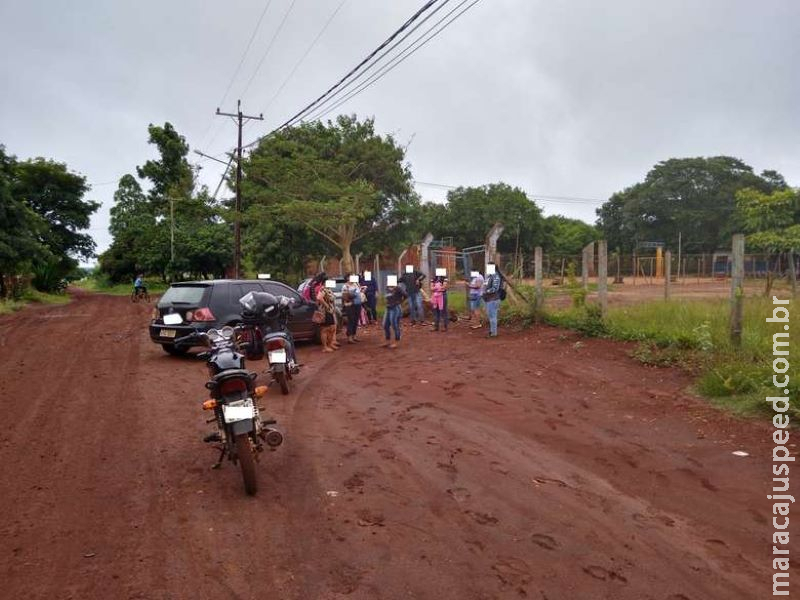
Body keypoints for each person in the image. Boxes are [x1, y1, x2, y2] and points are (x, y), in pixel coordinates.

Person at [382, 281, 408, 349]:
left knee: (394, 325)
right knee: (385, 325)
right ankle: (387, 341)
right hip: (388, 308)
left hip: (395, 308)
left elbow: (406, 295)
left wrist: (399, 302)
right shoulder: (387, 288)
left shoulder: (398, 288)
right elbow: (387, 297)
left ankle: (397, 341)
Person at [316, 284, 337, 352]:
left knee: (332, 328)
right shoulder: (323, 289)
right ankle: (325, 347)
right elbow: (319, 298)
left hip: (330, 311)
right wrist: (326, 305)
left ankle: (330, 344)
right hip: (325, 312)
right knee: (325, 329)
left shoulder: (328, 290)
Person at [341, 275, 363, 344]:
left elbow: (359, 293)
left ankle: (354, 336)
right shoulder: (345, 286)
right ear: (348, 278)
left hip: (358, 304)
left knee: (356, 320)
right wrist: (352, 296)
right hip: (350, 305)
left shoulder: (356, 284)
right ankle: (349, 337)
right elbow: (344, 297)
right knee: (351, 320)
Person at [482, 264, 502, 338]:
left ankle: (494, 333)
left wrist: (486, 291)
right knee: (491, 316)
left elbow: (495, 288)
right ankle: (492, 331)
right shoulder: (490, 276)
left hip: (493, 299)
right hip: (489, 299)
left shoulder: (496, 276)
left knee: (493, 316)